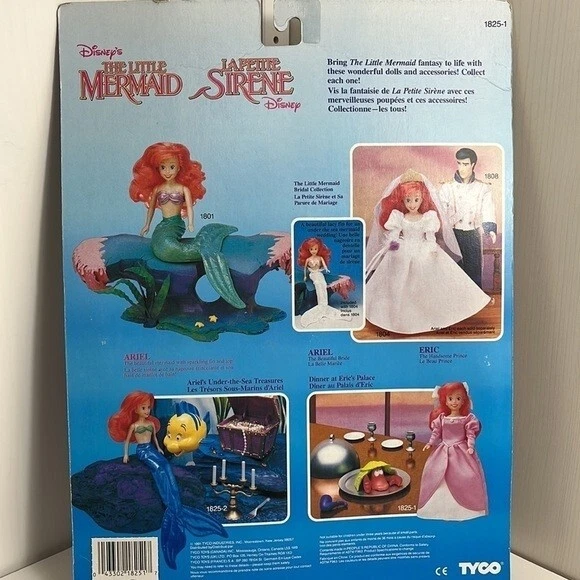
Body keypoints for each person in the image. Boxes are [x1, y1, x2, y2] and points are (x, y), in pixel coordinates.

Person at [108, 391, 226, 569]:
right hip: (143, 452)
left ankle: (175, 508)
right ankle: (175, 509)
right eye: (143, 407)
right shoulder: (135, 425)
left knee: (166, 467)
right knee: (159, 469)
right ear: (135, 409)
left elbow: (156, 440)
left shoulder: (150, 424)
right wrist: (125, 455)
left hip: (152, 450)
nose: (147, 410)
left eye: (148, 407)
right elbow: (126, 443)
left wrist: (159, 449)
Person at [365, 170, 490, 334]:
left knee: (430, 280)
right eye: (408, 200)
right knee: (399, 281)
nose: (412, 204)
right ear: (402, 200)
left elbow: (430, 237)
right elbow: (394, 235)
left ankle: (429, 314)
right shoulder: (399, 217)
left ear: (422, 199)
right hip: (403, 249)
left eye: (416, 200)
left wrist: (431, 248)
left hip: (423, 249)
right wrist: (393, 245)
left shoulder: (428, 217)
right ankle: (399, 316)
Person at [130, 142, 245, 308]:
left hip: (176, 224)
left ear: (179, 168)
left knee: (167, 247)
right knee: (161, 247)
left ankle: (208, 246)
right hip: (163, 226)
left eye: (171, 167)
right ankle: (204, 245)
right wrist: (146, 225)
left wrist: (191, 223)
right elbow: (151, 210)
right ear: (157, 169)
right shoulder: (158, 189)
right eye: (163, 167)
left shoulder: (183, 189)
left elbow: (189, 208)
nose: (167, 171)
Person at [417, 382, 488, 521]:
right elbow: (436, 433)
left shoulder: (467, 419)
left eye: (458, 398)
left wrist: (470, 446)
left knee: (466, 476)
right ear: (445, 401)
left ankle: (466, 509)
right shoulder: (441, 419)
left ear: (463, 401)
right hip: (443, 450)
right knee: (433, 472)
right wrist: (430, 443)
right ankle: (437, 508)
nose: (454, 402)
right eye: (450, 399)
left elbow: (470, 435)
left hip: (461, 451)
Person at [439, 148, 497, 288]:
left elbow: (488, 208)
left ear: (473, 164)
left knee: (473, 270)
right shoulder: (447, 188)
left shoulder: (482, 188)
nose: (462, 168)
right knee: (454, 269)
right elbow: (441, 212)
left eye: (465, 164)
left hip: (473, 234)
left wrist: (490, 228)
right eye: (459, 163)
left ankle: (475, 299)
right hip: (453, 234)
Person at [296, 237, 345, 327]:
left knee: (323, 285)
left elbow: (325, 266)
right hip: (313, 274)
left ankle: (324, 305)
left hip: (319, 273)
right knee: (318, 285)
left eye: (315, 249)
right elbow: (305, 269)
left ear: (318, 249)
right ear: (308, 250)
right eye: (311, 249)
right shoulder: (308, 259)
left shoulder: (320, 258)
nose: (313, 251)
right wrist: (305, 276)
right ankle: (321, 306)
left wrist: (327, 269)